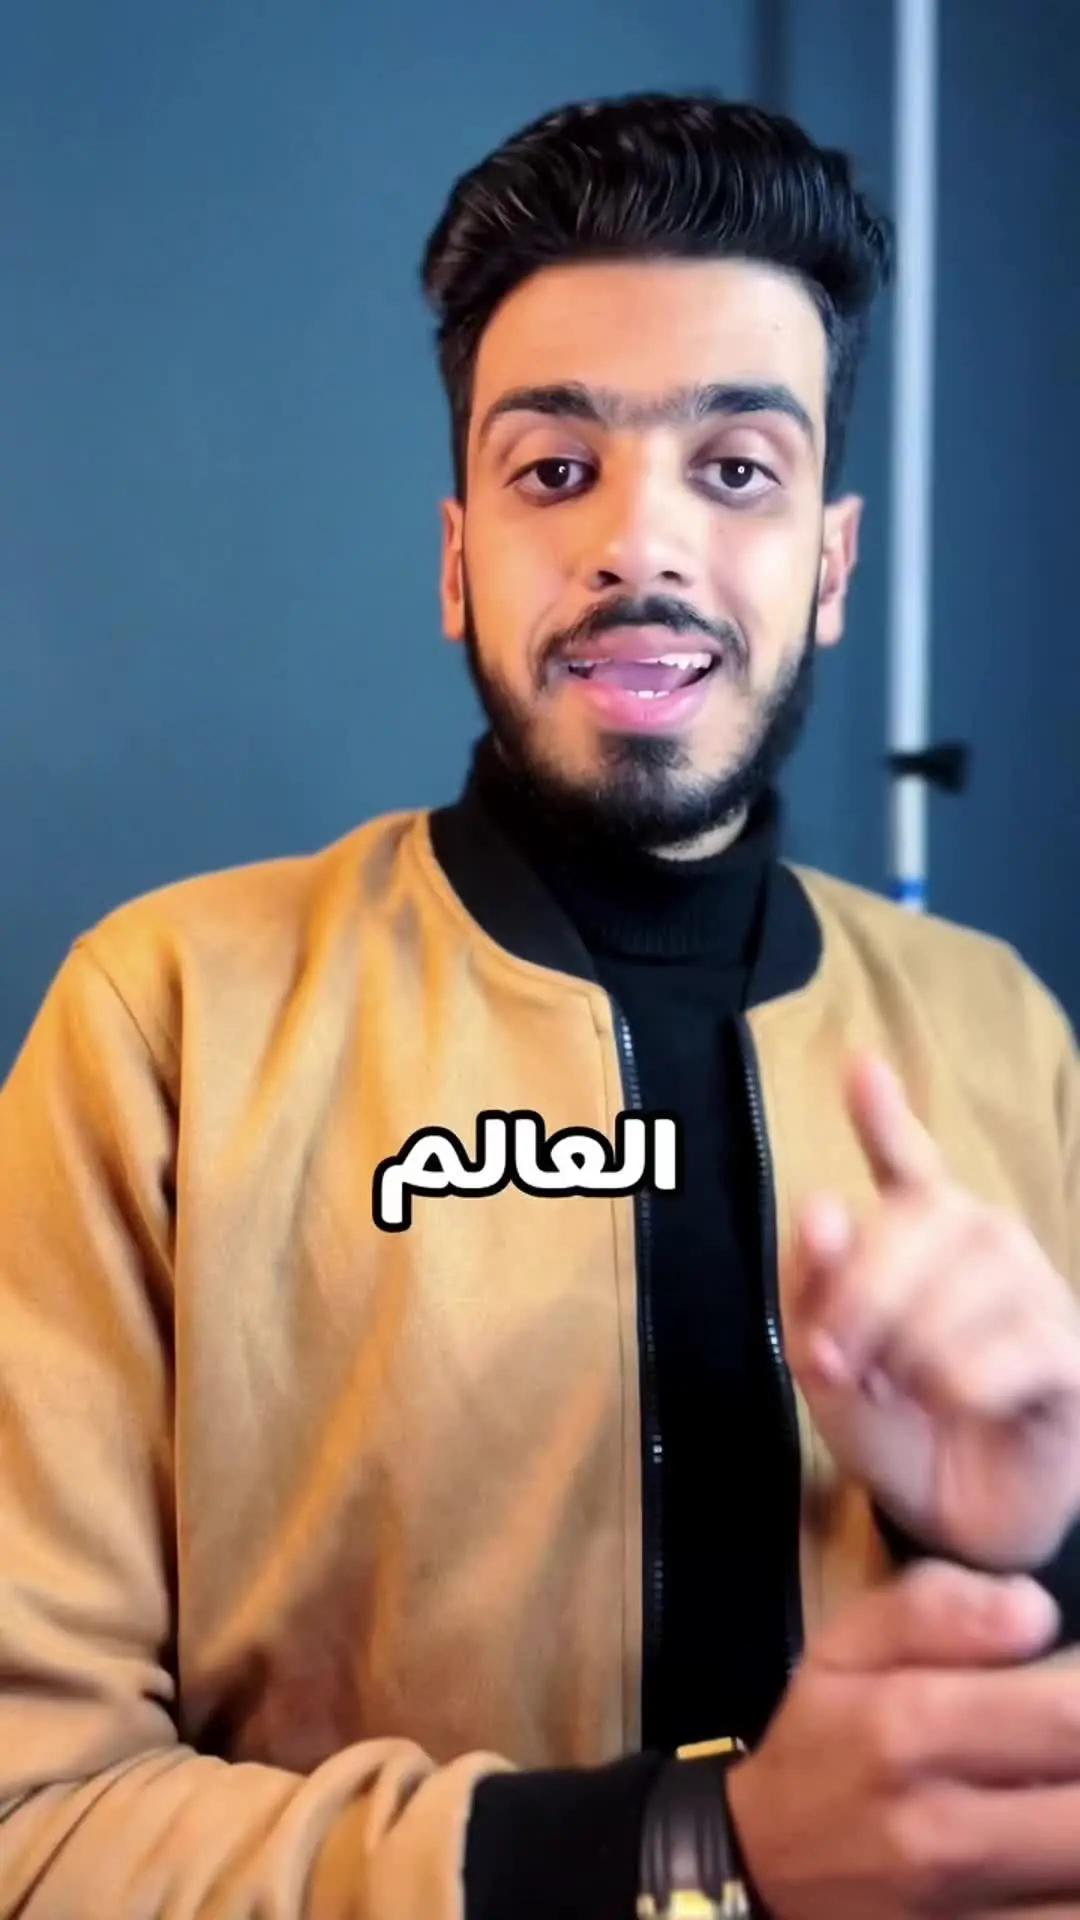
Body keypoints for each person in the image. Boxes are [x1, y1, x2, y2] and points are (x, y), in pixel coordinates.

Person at [0, 89, 1078, 1920]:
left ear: (831, 566)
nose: (638, 548)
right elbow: (31, 1824)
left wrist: (1022, 1546)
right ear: (456, 558)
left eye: (736, 469)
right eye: (556, 471)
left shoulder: (1005, 1040)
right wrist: (699, 1853)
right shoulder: (164, 1020)